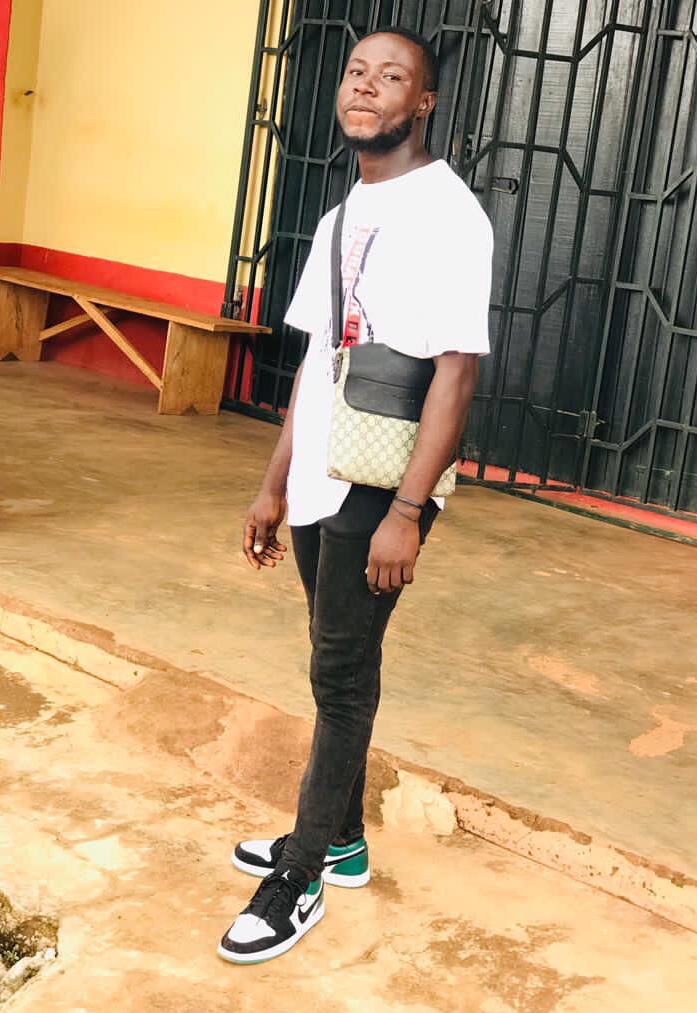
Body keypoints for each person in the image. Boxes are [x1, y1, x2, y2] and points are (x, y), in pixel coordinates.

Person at [218, 26, 493, 965]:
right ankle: (338, 841)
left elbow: (456, 371)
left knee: (341, 674)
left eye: (393, 77)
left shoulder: (450, 215)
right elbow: (315, 361)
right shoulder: (346, 211)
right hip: (320, 473)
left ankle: (299, 876)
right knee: (334, 654)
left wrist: (409, 513)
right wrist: (272, 484)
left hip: (387, 481)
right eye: (356, 72)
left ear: (424, 103)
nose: (367, 87)